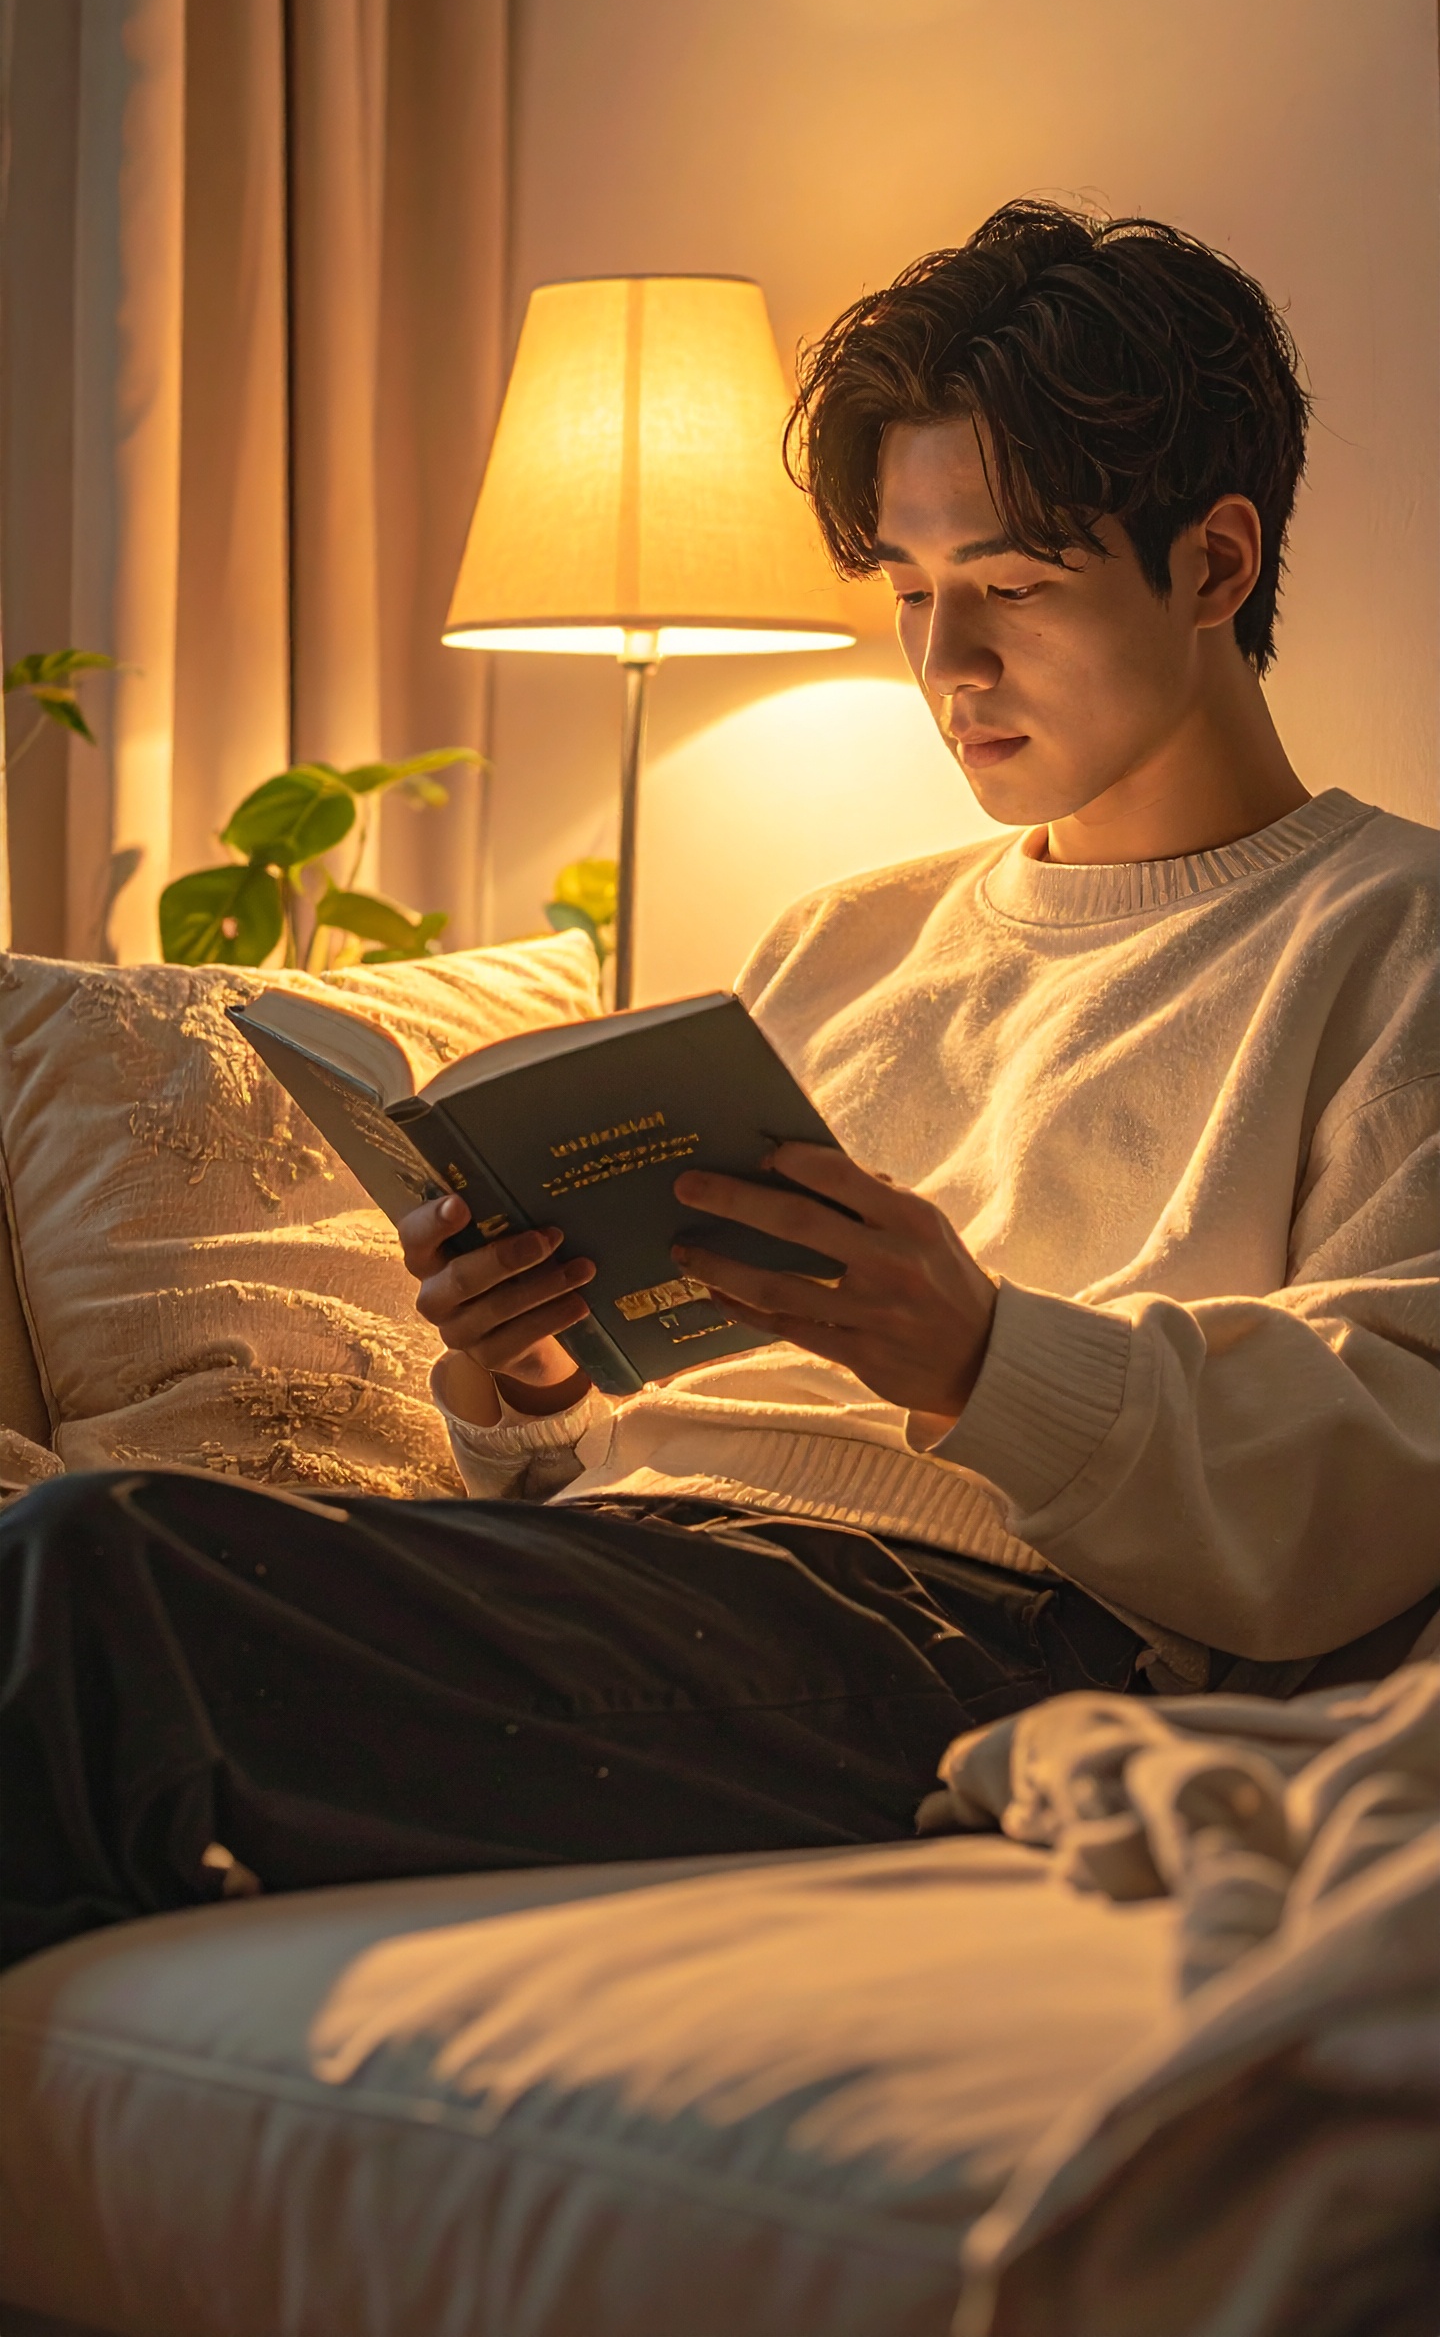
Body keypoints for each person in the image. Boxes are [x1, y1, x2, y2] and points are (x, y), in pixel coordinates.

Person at [4, 203, 1436, 1968]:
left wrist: (979, 1354)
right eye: (911, 593)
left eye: (1015, 585)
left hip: (974, 1632)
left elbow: (1391, 1462)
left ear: (1215, 565)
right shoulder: (841, 941)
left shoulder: (1391, 938)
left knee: (92, 1573)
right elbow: (589, 1467)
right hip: (654, 1579)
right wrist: (519, 1372)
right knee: (88, 1599)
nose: (946, 663)